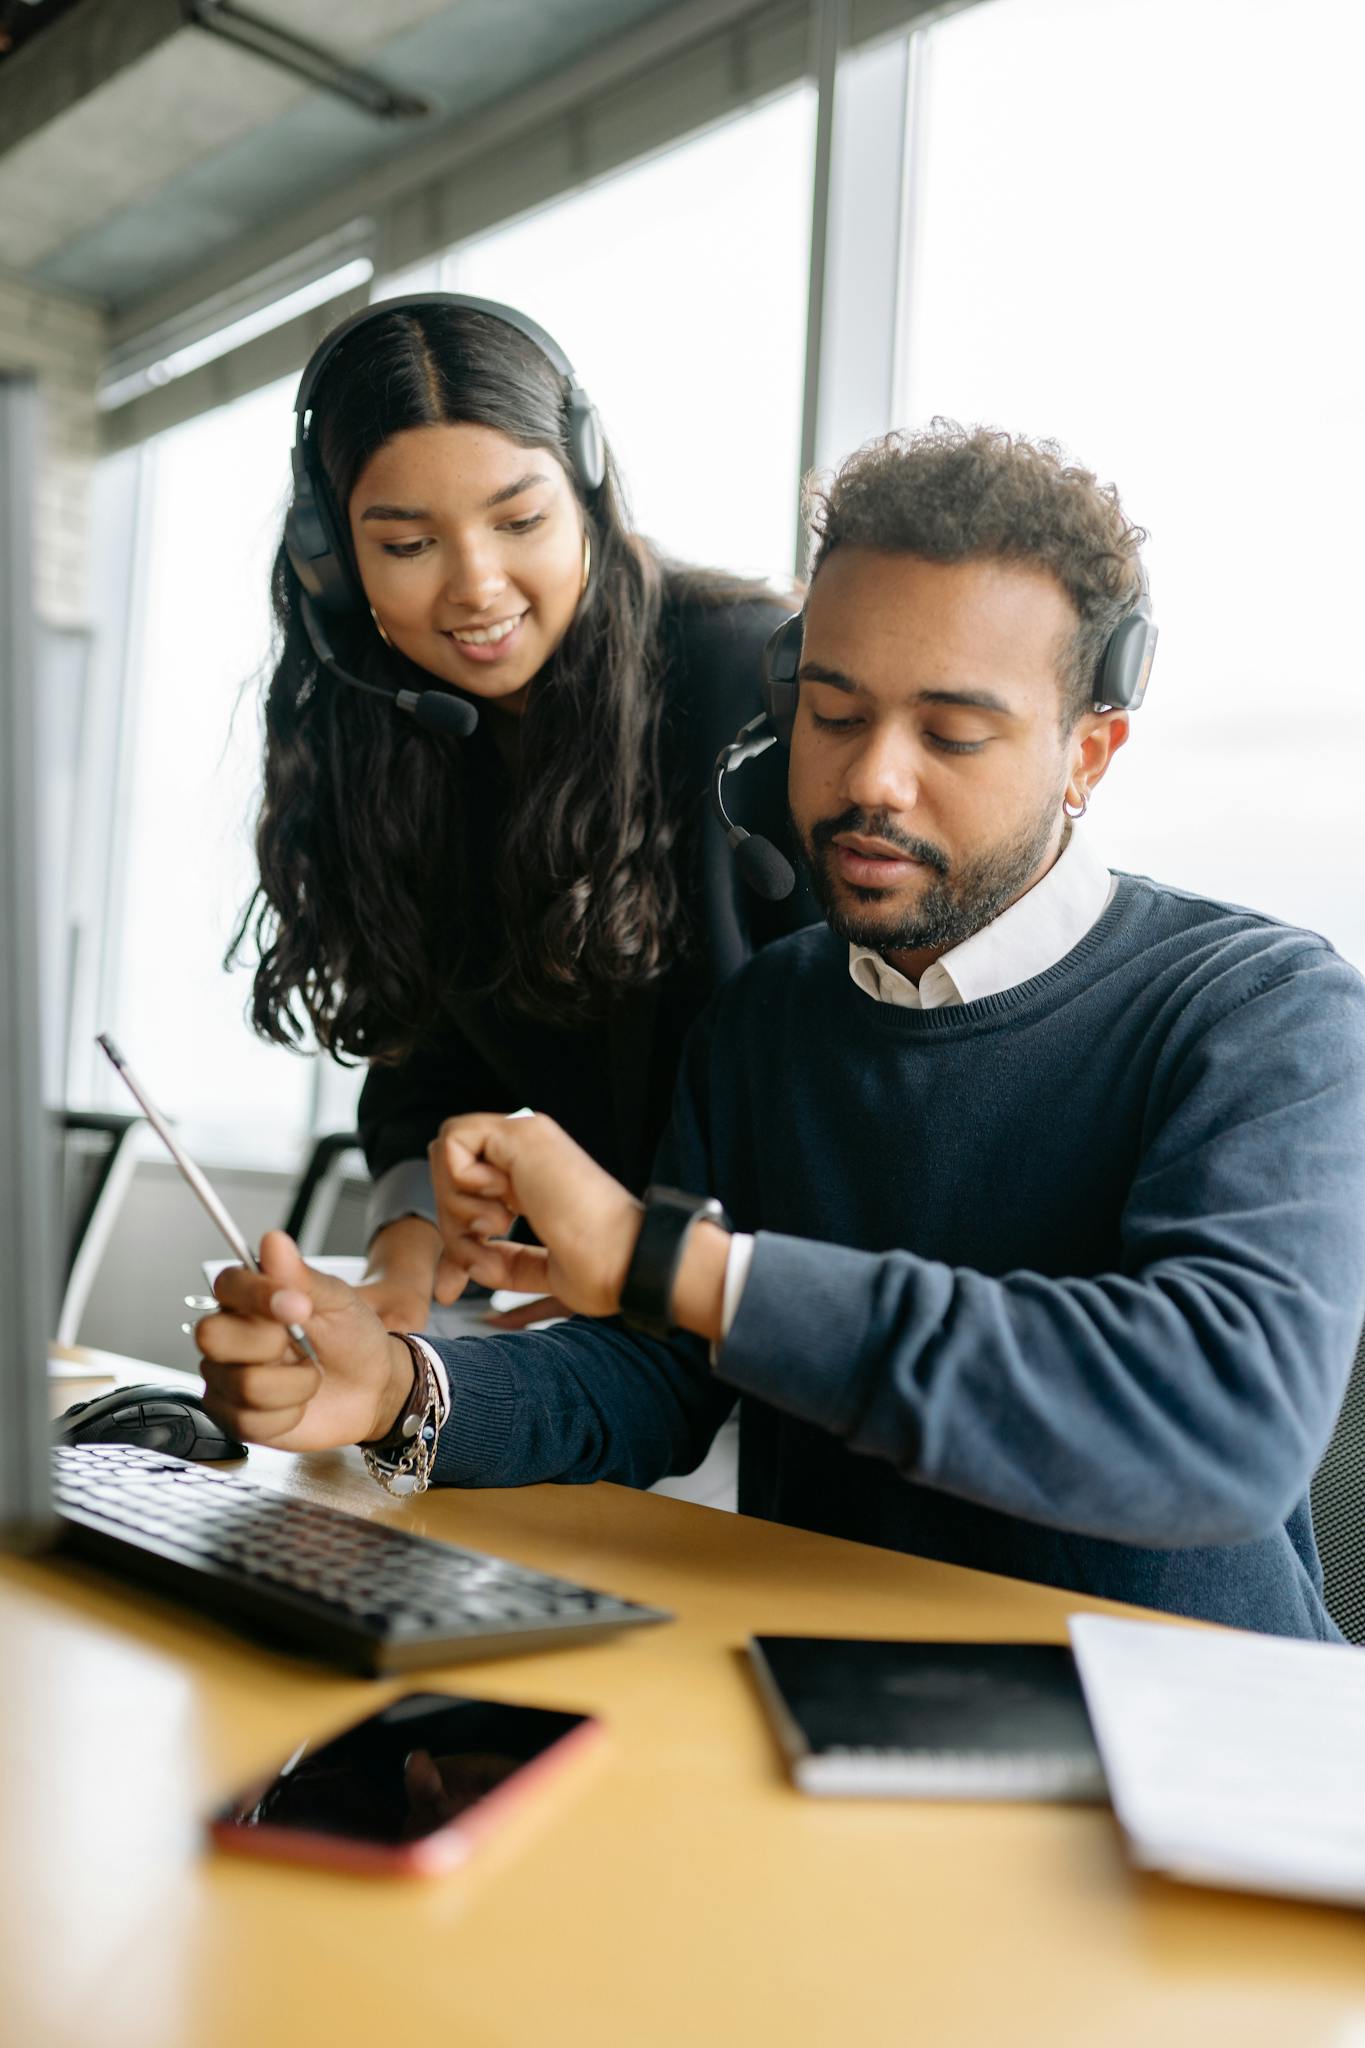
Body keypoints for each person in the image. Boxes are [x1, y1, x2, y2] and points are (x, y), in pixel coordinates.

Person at [202, 422, 1365, 1640]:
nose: (876, 780)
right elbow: (664, 1375)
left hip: (1188, 1746)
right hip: (828, 1706)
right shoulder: (771, 1016)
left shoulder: (1261, 1011)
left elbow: (1216, 1415)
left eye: (954, 734)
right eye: (834, 712)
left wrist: (673, 1259)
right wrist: (395, 1386)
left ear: (1089, 752)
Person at [230, 294, 815, 1336]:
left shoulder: (748, 681)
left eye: (520, 520)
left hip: (778, 1300)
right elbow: (423, 1063)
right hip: (591, 1330)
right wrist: (402, 1276)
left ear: (586, 491)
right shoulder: (395, 732)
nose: (476, 586)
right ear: (333, 566)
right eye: (409, 544)